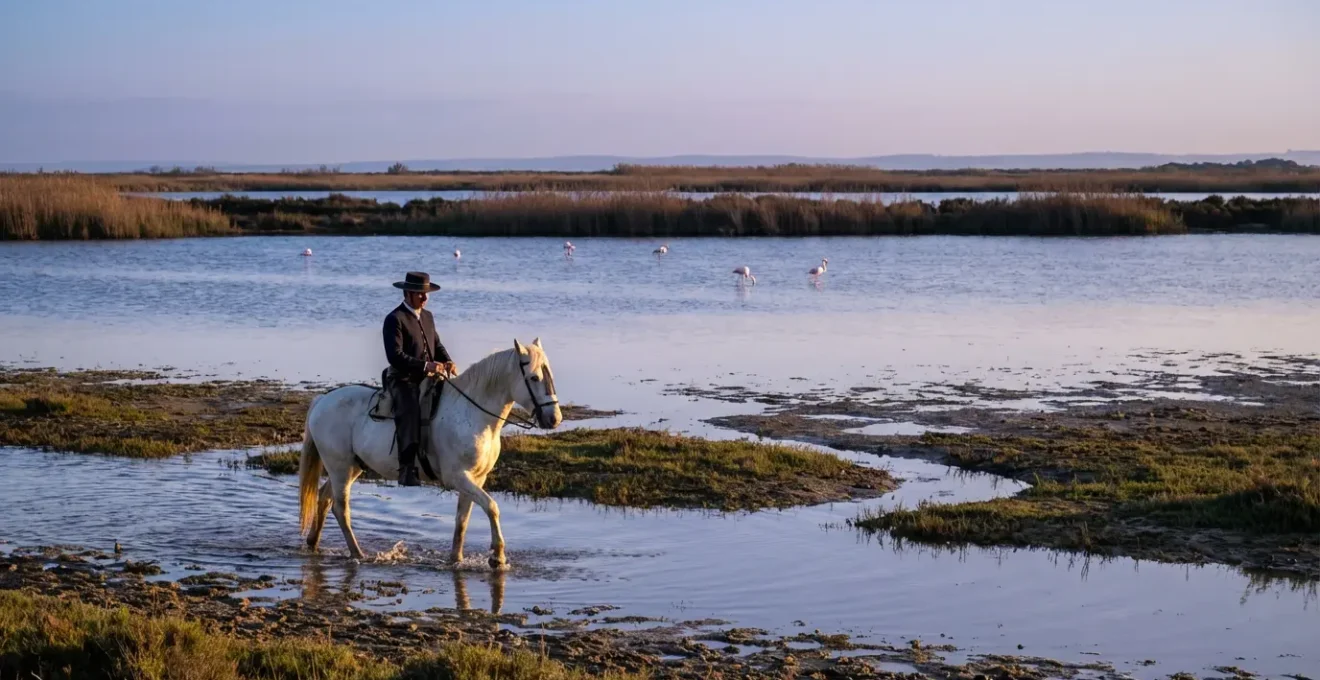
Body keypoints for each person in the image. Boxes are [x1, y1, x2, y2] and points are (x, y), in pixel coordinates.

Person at [383, 271, 457, 486]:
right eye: (419, 294)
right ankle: (406, 469)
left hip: (430, 377)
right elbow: (395, 356)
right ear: (407, 293)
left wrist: (448, 360)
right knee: (410, 412)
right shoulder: (394, 319)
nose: (424, 298)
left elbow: (437, 345)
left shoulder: (428, 316)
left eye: (426, 294)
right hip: (402, 378)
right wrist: (426, 365)